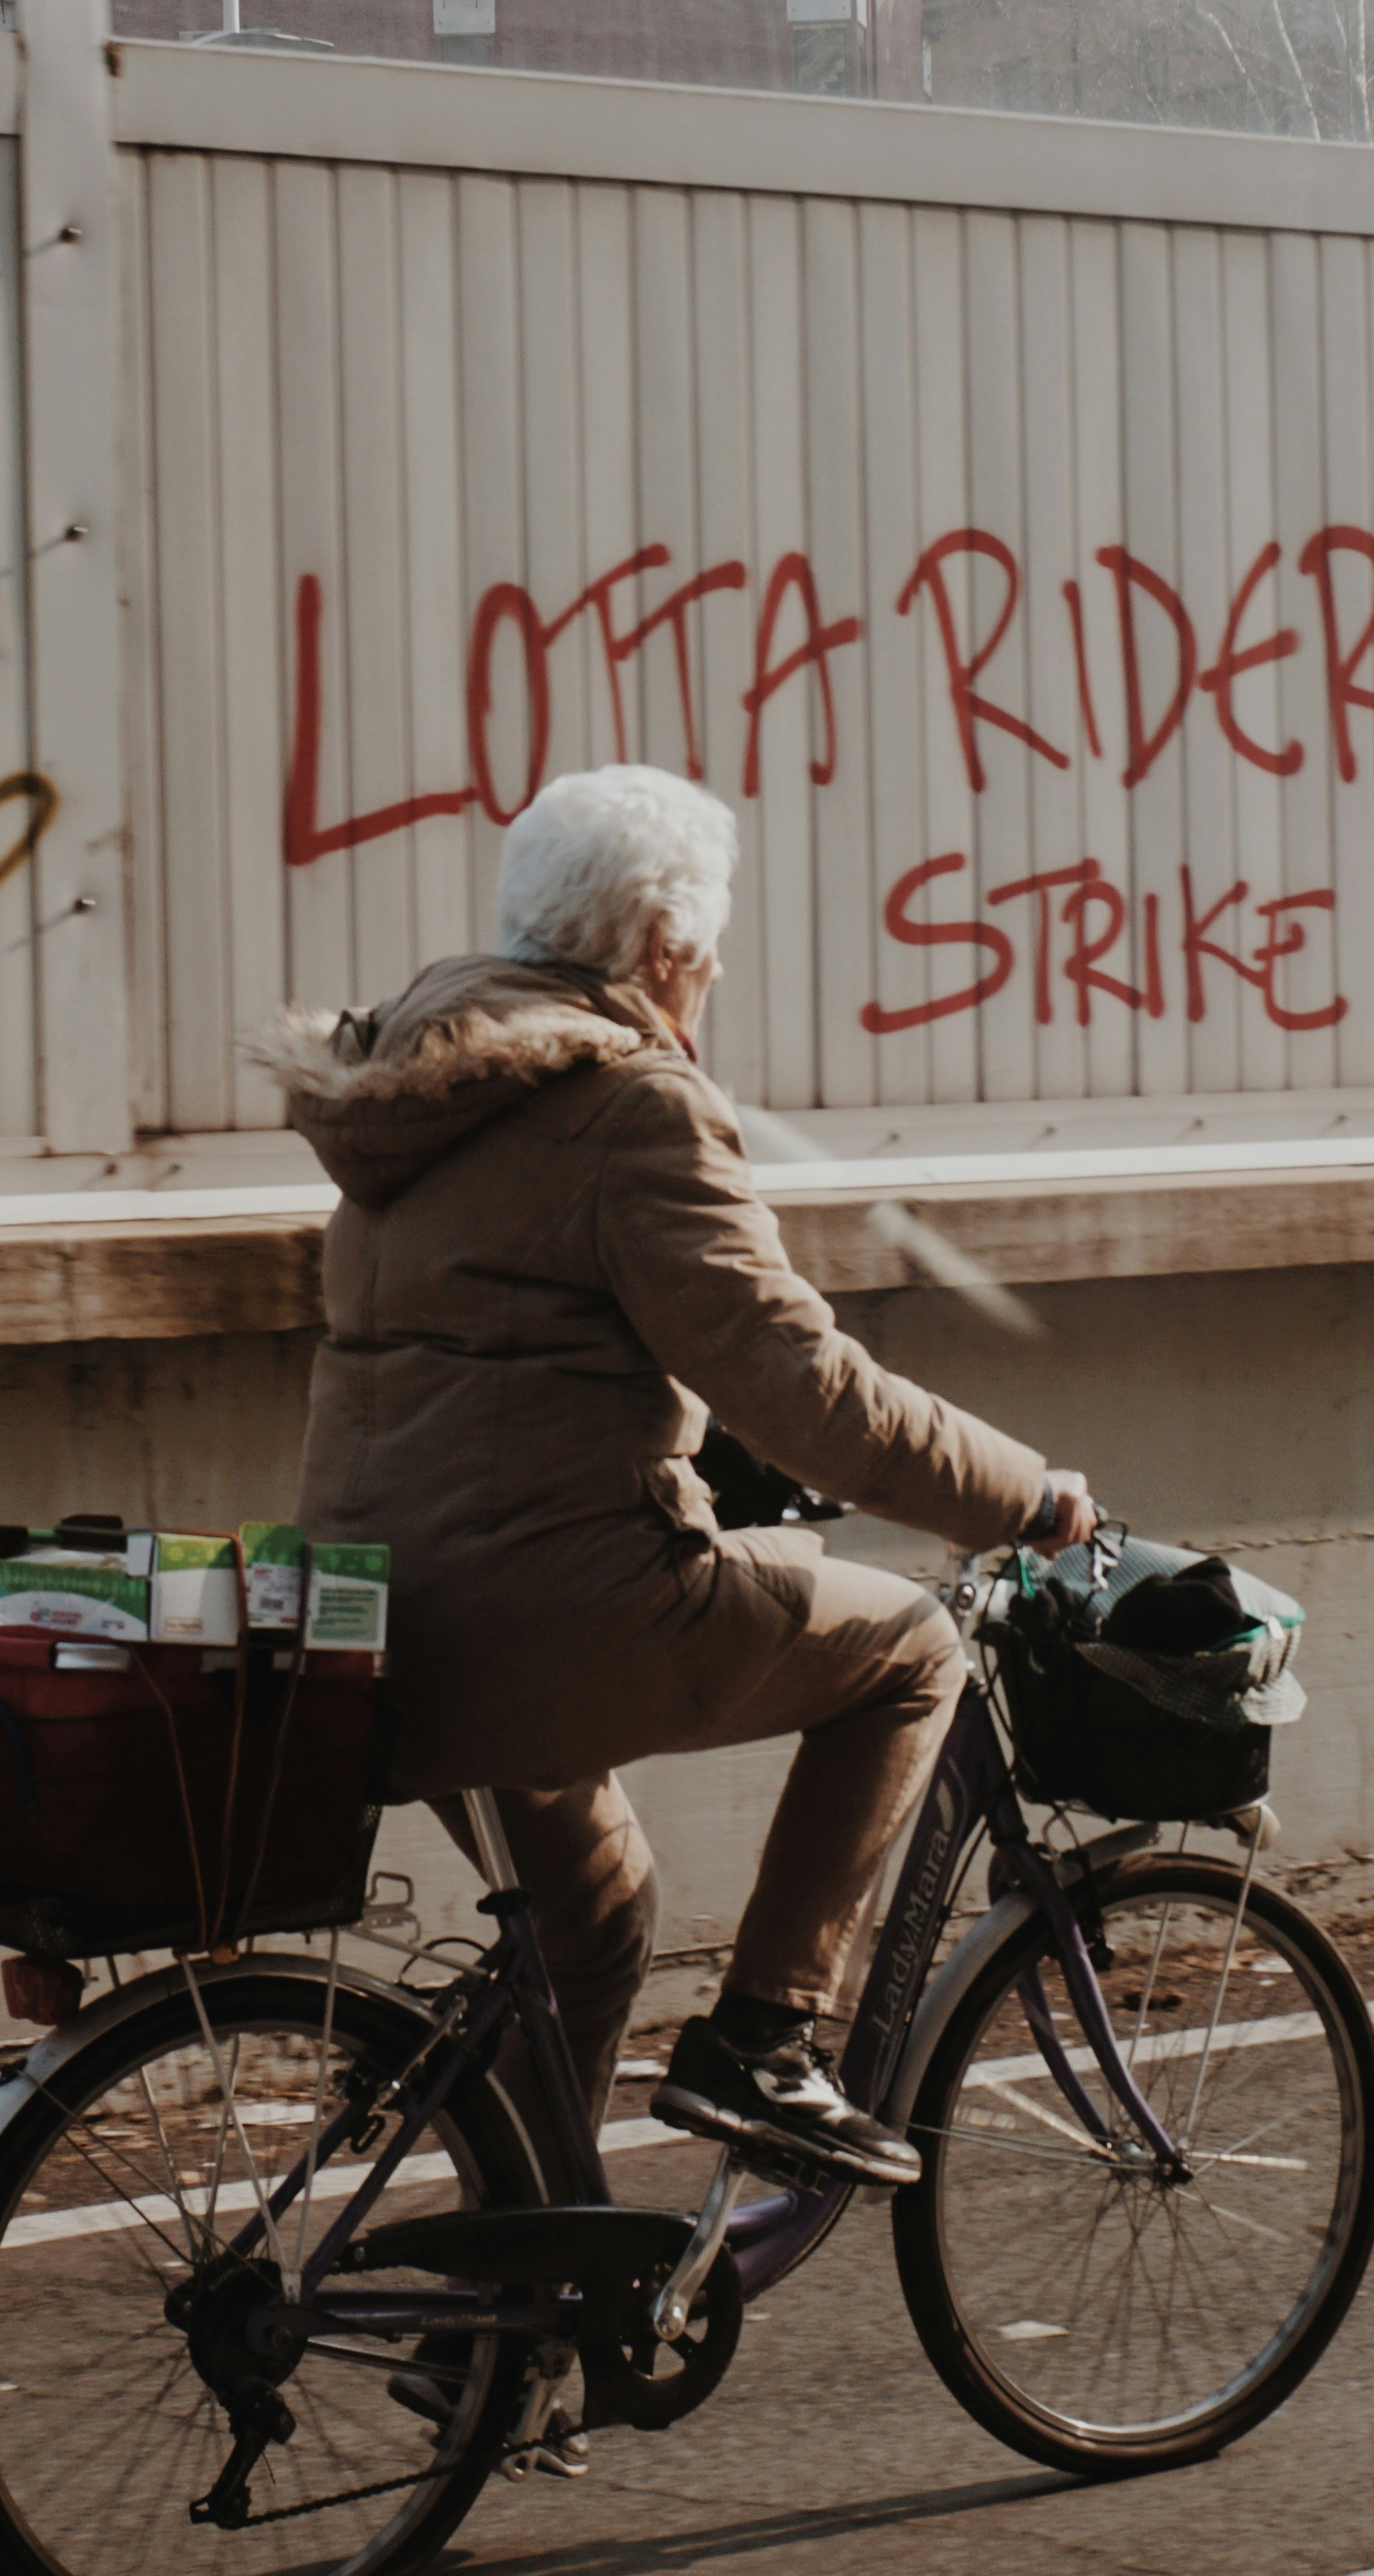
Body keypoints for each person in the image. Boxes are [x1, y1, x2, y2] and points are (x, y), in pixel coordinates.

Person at [255, 766, 1093, 2186]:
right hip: (547, 1610)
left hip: (378, 1614)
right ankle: (767, 2038)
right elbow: (806, 1389)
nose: (705, 984)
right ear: (659, 948)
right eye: (705, 956)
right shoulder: (629, 1103)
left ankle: (502, 2338)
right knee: (912, 1644)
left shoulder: (411, 1085)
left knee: (593, 1918)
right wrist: (1030, 1494)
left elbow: (518, 1350)